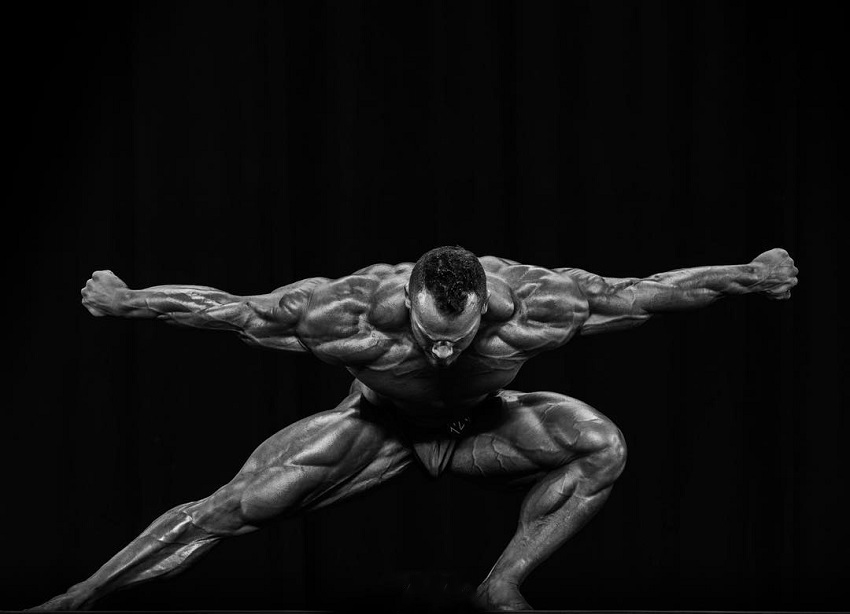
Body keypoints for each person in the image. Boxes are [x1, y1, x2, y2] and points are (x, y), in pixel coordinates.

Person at [37, 245, 798, 611]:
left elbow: (644, 294)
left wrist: (746, 278)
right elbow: (233, 310)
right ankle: (80, 595)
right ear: (405, 299)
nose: (441, 350)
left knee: (603, 446)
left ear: (484, 307)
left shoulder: (539, 305)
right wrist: (132, 300)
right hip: (378, 426)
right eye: (430, 335)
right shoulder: (342, 310)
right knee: (230, 509)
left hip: (480, 429)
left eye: (456, 338)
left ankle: (500, 586)